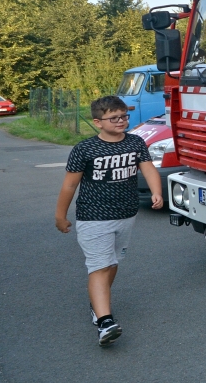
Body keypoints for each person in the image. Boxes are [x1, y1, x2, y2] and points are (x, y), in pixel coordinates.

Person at [55, 96, 162, 347]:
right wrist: (60, 216)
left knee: (112, 263)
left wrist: (157, 191)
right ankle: (105, 321)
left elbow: (147, 169)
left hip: (126, 214)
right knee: (100, 266)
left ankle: (97, 304)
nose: (121, 121)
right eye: (114, 118)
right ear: (98, 122)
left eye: (124, 116)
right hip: (93, 216)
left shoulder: (135, 142)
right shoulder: (85, 149)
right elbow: (70, 184)